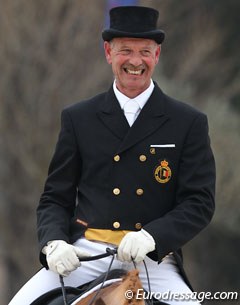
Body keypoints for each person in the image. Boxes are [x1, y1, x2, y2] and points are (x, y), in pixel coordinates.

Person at [9, 6, 215, 305]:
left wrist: (152, 237)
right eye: (125, 50)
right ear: (108, 52)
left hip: (153, 261)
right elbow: (55, 197)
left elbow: (200, 201)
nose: (135, 61)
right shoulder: (78, 118)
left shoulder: (188, 122)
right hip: (88, 254)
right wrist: (54, 242)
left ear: (156, 55)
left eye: (145, 51)